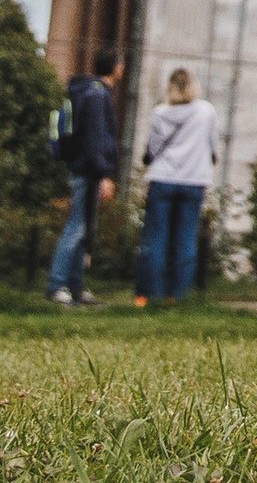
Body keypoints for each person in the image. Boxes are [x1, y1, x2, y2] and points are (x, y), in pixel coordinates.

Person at [132, 69, 219, 308]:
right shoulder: (206, 111)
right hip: (193, 180)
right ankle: (179, 295)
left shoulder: (160, 113)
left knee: (156, 238)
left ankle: (151, 294)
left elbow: (152, 148)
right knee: (185, 238)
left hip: (163, 178)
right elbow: (213, 146)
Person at [45, 62, 121, 308]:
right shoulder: (97, 95)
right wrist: (104, 173)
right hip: (89, 170)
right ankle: (57, 285)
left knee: (84, 228)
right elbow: (96, 138)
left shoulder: (85, 91)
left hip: (82, 166)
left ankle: (74, 285)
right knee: (77, 227)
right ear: (116, 67)